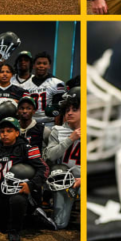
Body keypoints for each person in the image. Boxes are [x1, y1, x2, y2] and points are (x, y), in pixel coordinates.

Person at [0, 118, 49, 241]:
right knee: (2, 228)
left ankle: (17, 229)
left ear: (17, 133)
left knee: (17, 201)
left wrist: (31, 184)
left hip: (19, 192)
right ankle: (31, 216)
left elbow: (44, 168)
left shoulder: (27, 147)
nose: (4, 134)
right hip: (0, 193)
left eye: (9, 131)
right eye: (2, 131)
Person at [44, 89, 81, 230]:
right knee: (60, 224)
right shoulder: (58, 130)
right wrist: (71, 139)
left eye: (75, 109)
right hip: (65, 180)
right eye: (67, 110)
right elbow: (50, 156)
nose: (69, 113)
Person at [21, 52, 66, 125]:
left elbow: (59, 107)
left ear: (49, 66)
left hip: (49, 122)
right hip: (31, 122)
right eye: (38, 63)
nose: (41, 66)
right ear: (33, 66)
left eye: (44, 64)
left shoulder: (57, 83)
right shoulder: (24, 85)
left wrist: (57, 125)